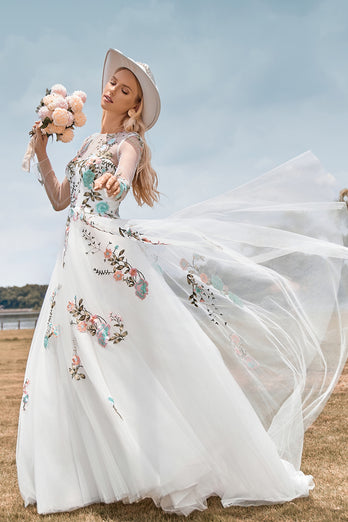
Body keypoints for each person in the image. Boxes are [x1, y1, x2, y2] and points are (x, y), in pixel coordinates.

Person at [16, 48, 348, 517]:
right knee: (73, 359)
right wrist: (46, 152)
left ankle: (167, 456)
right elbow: (58, 200)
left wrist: (117, 183)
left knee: (126, 356)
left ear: (133, 107)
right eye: (113, 83)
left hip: (107, 259)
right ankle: (84, 471)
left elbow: (122, 180)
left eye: (124, 89)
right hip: (73, 261)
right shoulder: (87, 144)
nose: (112, 89)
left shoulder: (128, 144)